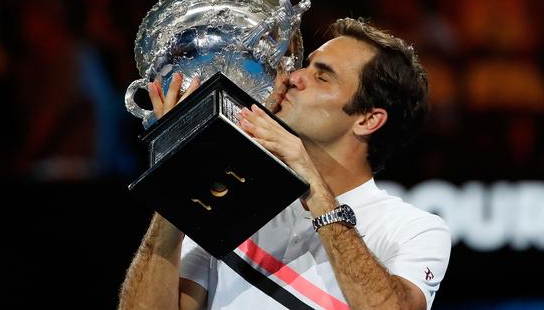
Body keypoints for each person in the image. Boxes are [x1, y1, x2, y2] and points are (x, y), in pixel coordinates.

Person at [118, 17, 451, 310]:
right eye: (307, 64)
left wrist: (316, 190)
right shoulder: (228, 194)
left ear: (368, 120)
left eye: (323, 78)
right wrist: (179, 173)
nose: (293, 77)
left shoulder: (413, 229)